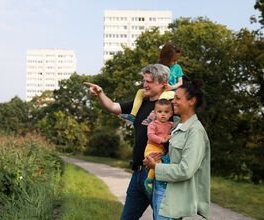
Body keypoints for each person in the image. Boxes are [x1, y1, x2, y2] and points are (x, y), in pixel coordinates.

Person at [84, 63, 170, 220]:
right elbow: (112, 107)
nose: (144, 85)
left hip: (156, 175)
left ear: (162, 83)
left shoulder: (169, 108)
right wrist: (100, 93)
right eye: (144, 81)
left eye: (149, 82)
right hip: (137, 174)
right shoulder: (140, 104)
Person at [143, 80, 210, 220]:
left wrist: (156, 167)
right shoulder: (175, 125)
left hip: (171, 195)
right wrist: (151, 159)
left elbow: (186, 170)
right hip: (161, 187)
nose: (173, 102)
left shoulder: (195, 132)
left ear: (192, 101)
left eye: (177, 98)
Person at [119, 42, 184, 125]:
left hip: (170, 92)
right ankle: (133, 115)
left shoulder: (177, 67)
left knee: (162, 97)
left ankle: (153, 115)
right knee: (139, 92)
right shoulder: (156, 66)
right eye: (173, 60)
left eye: (176, 60)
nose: (175, 62)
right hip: (159, 90)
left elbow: (180, 83)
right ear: (166, 58)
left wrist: (171, 87)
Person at [143, 99, 174, 195]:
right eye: (160, 112)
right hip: (151, 147)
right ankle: (148, 180)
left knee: (163, 163)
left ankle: (157, 184)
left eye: (166, 112)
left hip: (161, 150)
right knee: (157, 163)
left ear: (171, 113)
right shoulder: (153, 124)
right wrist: (162, 140)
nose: (163, 114)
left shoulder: (171, 124)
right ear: (155, 113)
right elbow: (150, 136)